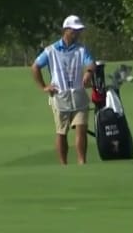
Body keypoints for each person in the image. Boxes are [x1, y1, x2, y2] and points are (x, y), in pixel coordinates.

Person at [31, 15, 96, 165]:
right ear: (66, 30)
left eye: (78, 31)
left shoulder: (81, 49)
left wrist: (88, 73)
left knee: (81, 128)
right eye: (74, 30)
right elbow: (35, 67)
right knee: (62, 132)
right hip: (60, 95)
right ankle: (63, 164)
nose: (77, 33)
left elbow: (91, 63)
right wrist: (44, 86)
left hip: (78, 93)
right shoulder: (51, 50)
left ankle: (82, 162)